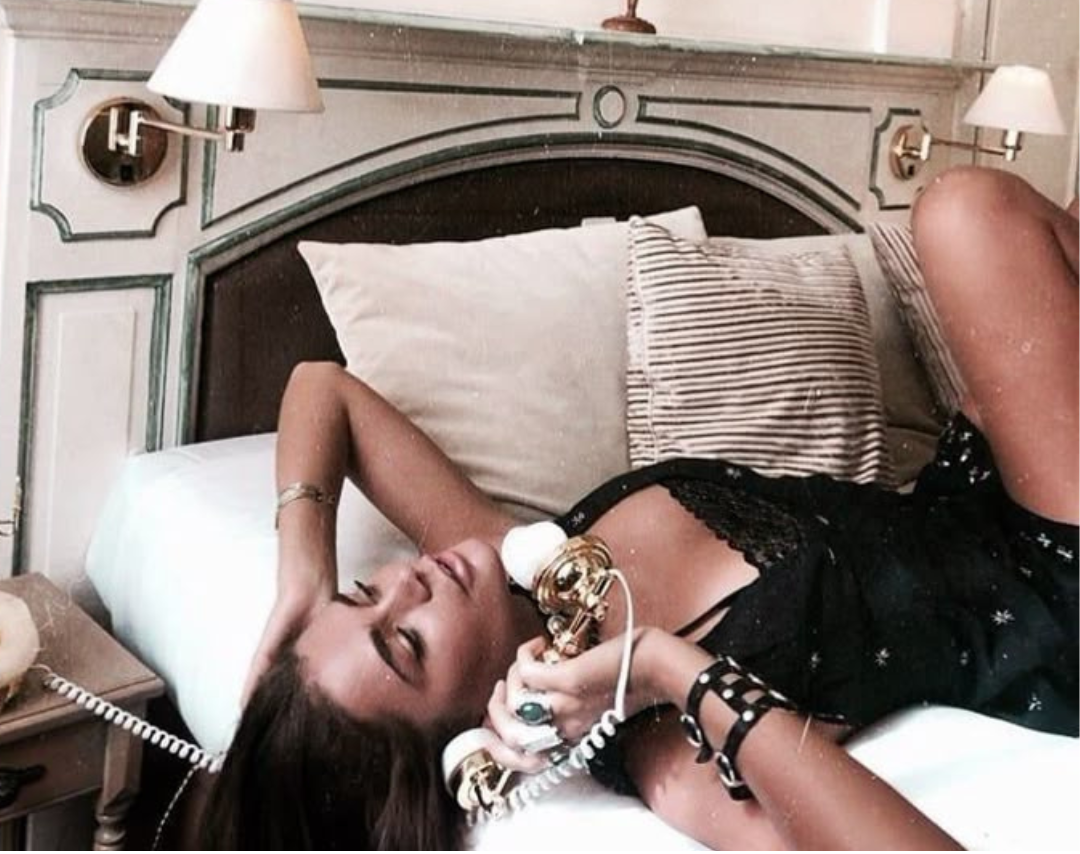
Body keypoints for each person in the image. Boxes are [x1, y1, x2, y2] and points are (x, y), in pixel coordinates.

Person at [201, 167, 1078, 850]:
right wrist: (664, 667)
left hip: (977, 500)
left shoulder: (517, 554)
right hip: (1055, 590)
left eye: (368, 593)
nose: (408, 584)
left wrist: (303, 577)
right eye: (406, 643)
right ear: (469, 744)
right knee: (966, 213)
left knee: (1005, 225)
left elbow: (323, 389)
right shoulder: (661, 749)